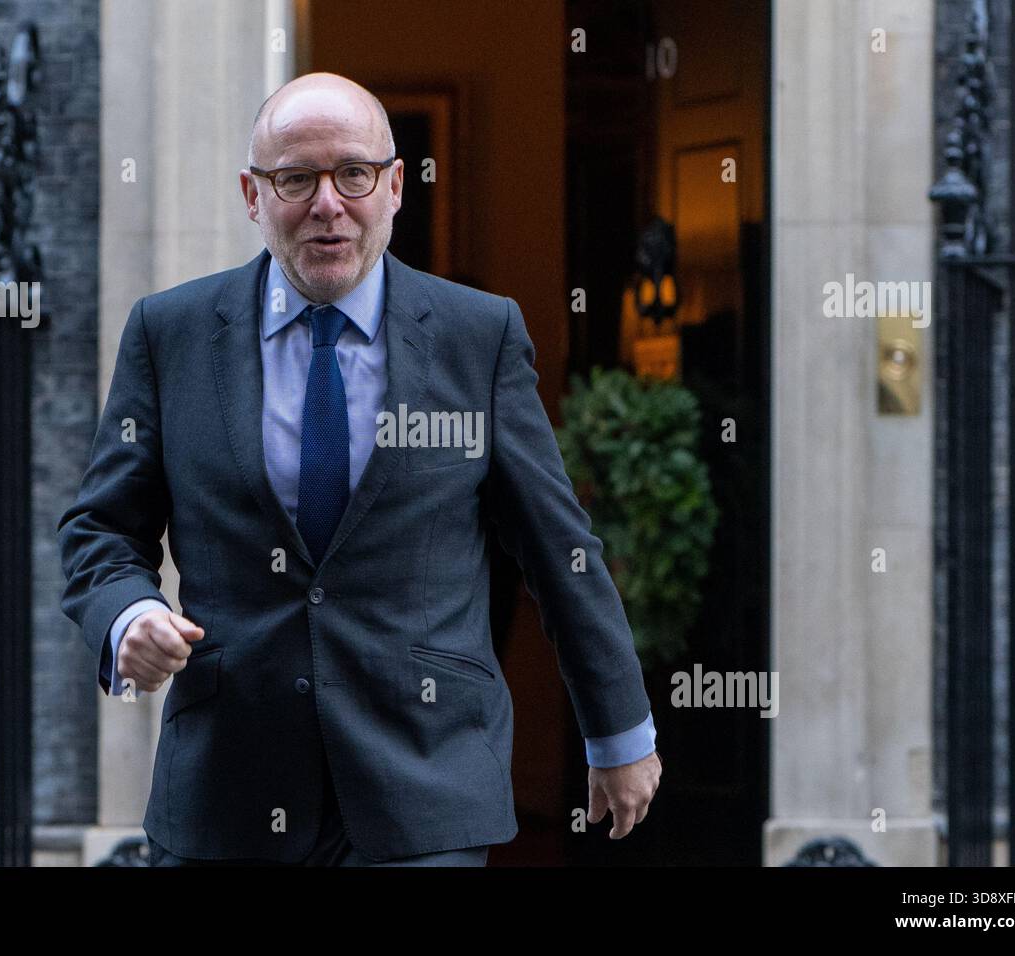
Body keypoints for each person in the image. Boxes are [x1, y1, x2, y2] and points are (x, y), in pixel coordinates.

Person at [57, 72, 662, 867]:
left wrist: (618, 733)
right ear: (252, 194)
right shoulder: (169, 335)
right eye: (295, 179)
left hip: (424, 790)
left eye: (353, 174)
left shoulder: (475, 338)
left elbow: (559, 549)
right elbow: (100, 528)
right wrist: (129, 616)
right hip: (226, 796)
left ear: (396, 185)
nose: (327, 204)